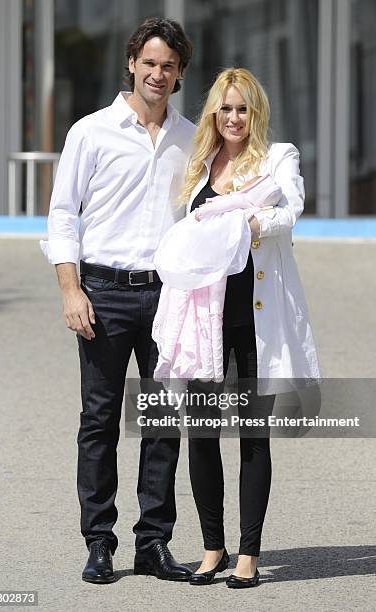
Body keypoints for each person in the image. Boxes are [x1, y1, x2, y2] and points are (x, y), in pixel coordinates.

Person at [40, 17, 196, 584]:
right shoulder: (90, 131)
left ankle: (153, 543)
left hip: (168, 296)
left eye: (169, 66)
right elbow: (63, 213)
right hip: (102, 292)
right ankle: (99, 542)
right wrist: (69, 289)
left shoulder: (190, 137)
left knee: (163, 422)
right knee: (100, 421)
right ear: (131, 63)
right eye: (149, 63)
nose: (158, 74)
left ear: (179, 74)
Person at [176, 67, 320, 588]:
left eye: (242, 109)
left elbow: (290, 212)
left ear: (254, 113)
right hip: (203, 320)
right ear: (213, 112)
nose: (233, 118)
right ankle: (212, 548)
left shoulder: (279, 157)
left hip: (255, 317)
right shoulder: (199, 165)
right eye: (225, 108)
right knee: (201, 434)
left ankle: (248, 555)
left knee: (253, 436)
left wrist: (247, 220)